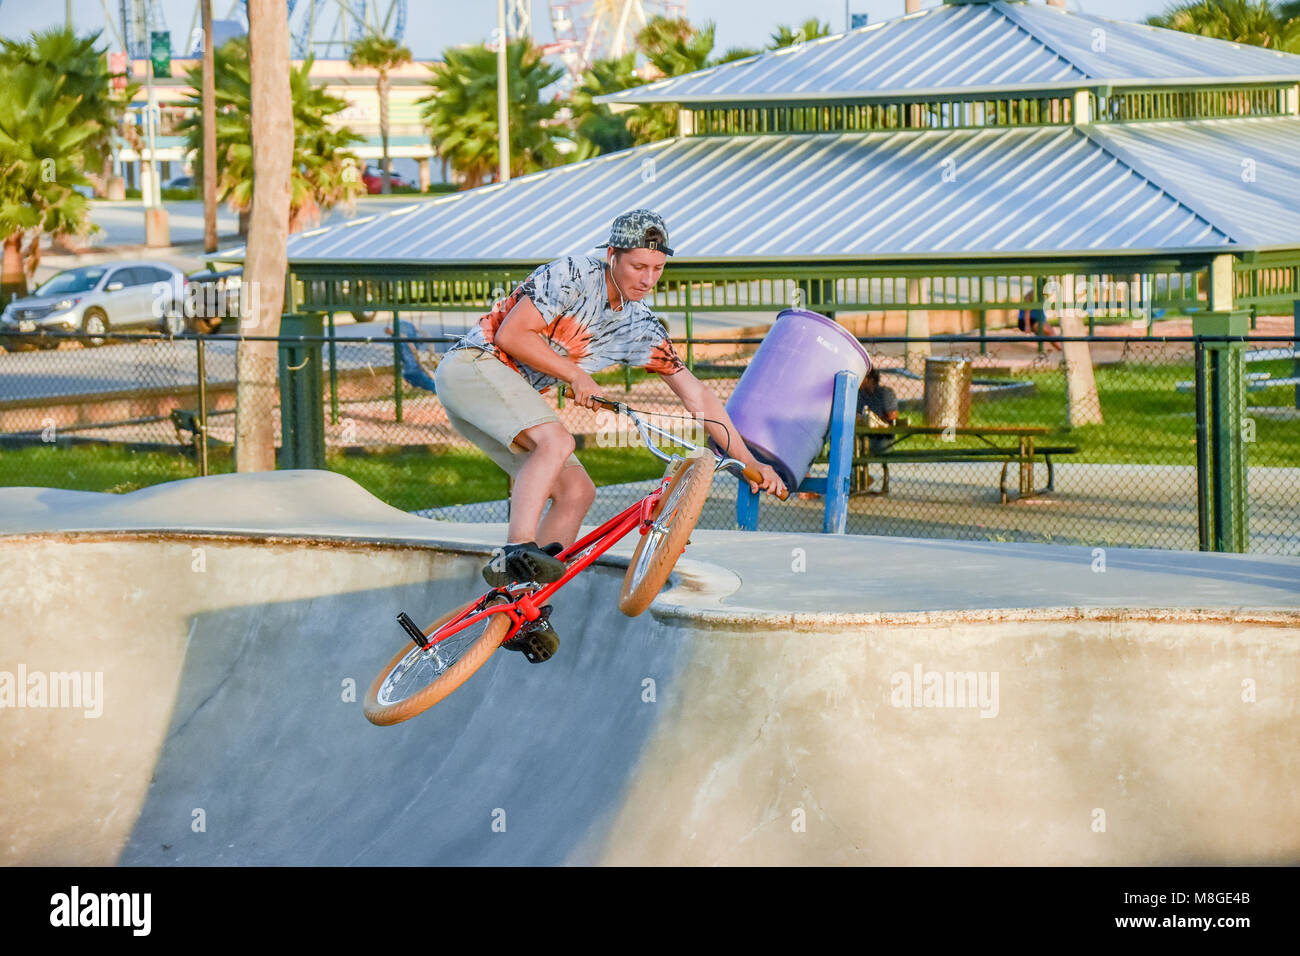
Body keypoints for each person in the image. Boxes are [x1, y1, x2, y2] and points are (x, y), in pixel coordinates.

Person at [433, 209, 786, 663]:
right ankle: (516, 551)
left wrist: (750, 463)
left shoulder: (641, 327)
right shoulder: (573, 274)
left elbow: (697, 393)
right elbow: (512, 333)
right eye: (638, 266)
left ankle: (519, 605)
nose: (648, 279)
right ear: (613, 254)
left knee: (577, 491)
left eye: (658, 269)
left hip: (505, 394)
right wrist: (574, 374)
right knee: (557, 442)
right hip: (474, 367)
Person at [856, 368, 898, 489]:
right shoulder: (860, 395)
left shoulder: (885, 393)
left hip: (882, 438)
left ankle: (861, 480)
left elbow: (892, 415)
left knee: (859, 448)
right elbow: (856, 415)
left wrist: (873, 419)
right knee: (853, 447)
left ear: (870, 379)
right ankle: (859, 481)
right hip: (863, 437)